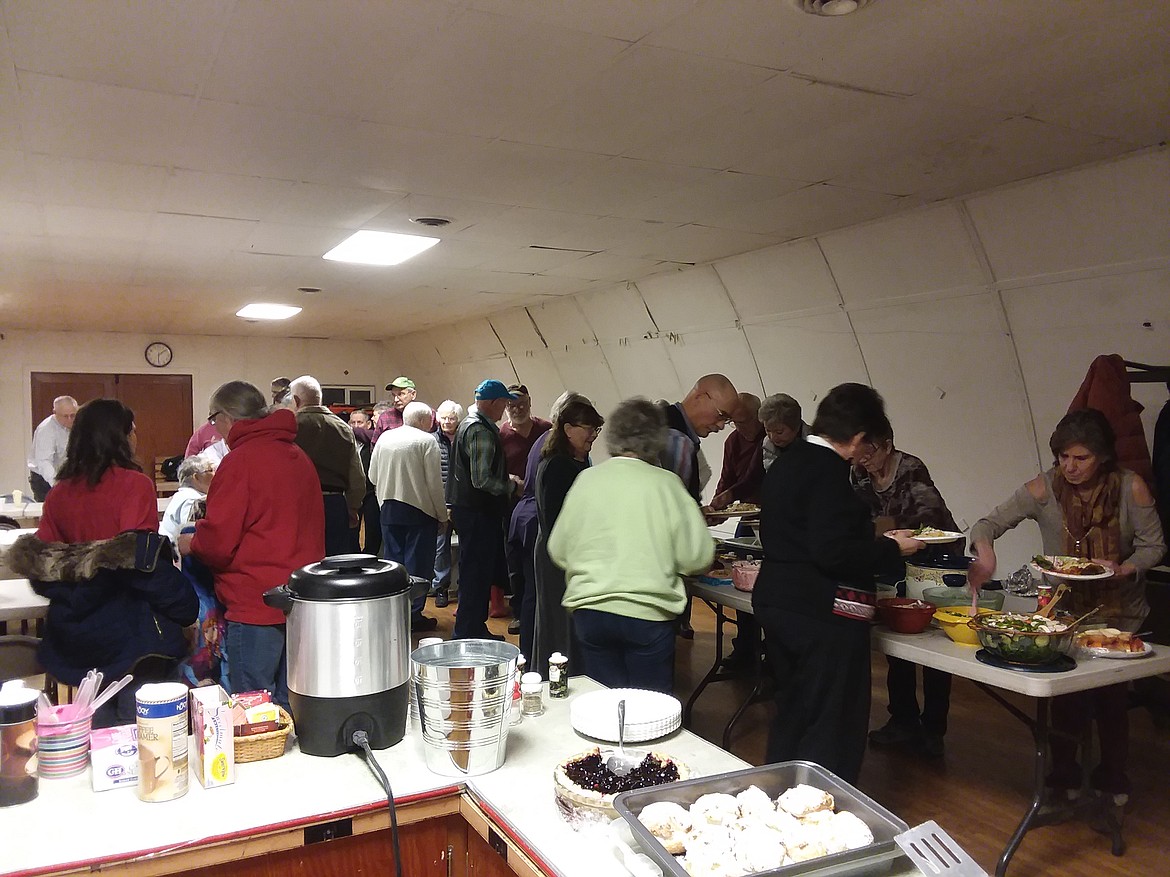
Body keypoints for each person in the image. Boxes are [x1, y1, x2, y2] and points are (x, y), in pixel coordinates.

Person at [968, 408, 1165, 812]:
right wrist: (985, 553)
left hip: (1119, 611)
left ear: (1103, 457)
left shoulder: (1131, 488)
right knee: (1066, 699)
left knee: (1111, 700)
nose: (1069, 467)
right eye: (1063, 457)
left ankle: (1112, 779)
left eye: (1081, 458)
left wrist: (1124, 567)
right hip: (1063, 610)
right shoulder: (1044, 489)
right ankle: (1063, 777)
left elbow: (1155, 546)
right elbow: (987, 523)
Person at [754, 383, 923, 784]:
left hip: (779, 601)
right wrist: (889, 548)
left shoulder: (787, 463)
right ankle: (823, 808)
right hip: (821, 614)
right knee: (833, 720)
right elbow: (833, 552)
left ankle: (779, 795)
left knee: (793, 710)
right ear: (860, 437)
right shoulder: (827, 473)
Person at [12, 398, 196, 727]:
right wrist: (183, 604)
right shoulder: (134, 485)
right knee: (141, 730)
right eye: (133, 430)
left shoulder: (59, 493)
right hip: (129, 632)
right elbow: (137, 562)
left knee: (94, 730)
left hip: (76, 631)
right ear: (120, 437)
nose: (136, 437)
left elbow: (47, 562)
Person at [549, 398, 713, 693]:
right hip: (648, 614)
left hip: (591, 612)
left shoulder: (586, 480)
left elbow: (558, 549)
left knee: (605, 702)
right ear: (656, 440)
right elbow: (697, 556)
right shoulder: (667, 484)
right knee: (650, 708)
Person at [180, 380, 325, 708]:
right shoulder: (298, 455)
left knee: (253, 708)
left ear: (228, 417)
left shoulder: (240, 462)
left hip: (256, 602)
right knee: (294, 704)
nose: (214, 429)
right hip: (303, 599)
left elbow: (218, 543)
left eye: (213, 419)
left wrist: (192, 543)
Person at [850, 424, 960, 757]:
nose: (865, 460)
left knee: (935, 646)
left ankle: (934, 726)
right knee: (896, 635)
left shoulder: (910, 468)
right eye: (861, 453)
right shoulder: (858, 475)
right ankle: (903, 718)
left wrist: (894, 531)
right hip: (894, 556)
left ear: (888, 445)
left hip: (934, 559)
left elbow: (931, 515)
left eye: (871, 452)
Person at [660, 374, 739, 639]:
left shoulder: (663, 424)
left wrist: (699, 513)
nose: (721, 425)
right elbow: (673, 513)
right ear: (699, 396)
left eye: (726, 420)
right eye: (720, 415)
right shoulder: (678, 441)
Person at [531, 398, 604, 673]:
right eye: (589, 429)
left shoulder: (573, 462)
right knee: (558, 621)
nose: (593, 436)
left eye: (596, 430)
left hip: (561, 553)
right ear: (568, 429)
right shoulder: (559, 466)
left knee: (560, 620)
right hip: (557, 556)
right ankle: (561, 677)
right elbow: (558, 521)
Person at [448, 380, 523, 640]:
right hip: (478, 512)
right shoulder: (480, 430)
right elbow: (481, 480)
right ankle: (469, 632)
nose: (506, 407)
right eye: (503, 401)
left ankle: (471, 629)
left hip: (468, 510)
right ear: (491, 403)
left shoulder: (468, 425)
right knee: (476, 575)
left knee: (474, 572)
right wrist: (510, 486)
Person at [369, 401, 447, 632]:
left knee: (393, 563)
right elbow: (434, 483)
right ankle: (413, 615)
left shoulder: (385, 438)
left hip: (388, 508)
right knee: (418, 566)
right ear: (424, 421)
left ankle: (394, 614)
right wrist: (442, 515)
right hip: (419, 511)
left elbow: (373, 475)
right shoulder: (426, 441)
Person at [289, 375, 365, 557]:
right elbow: (356, 474)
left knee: (303, 561)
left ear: (296, 400)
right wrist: (353, 507)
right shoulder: (343, 428)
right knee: (334, 563)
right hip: (335, 503)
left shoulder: (292, 426)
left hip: (299, 502)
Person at [499, 383, 554, 632]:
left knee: (540, 558)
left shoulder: (545, 429)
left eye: (521, 404)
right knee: (516, 563)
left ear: (530, 403)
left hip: (540, 504)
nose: (516, 409)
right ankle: (521, 611)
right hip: (512, 507)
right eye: (511, 405)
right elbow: (495, 470)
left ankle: (543, 610)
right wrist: (510, 480)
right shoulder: (501, 435)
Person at [431, 400, 463, 608]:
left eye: (451, 418)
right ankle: (440, 587)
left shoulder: (465, 438)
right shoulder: (431, 440)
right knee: (440, 547)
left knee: (465, 546)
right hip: (441, 501)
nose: (446, 422)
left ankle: (463, 586)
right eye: (443, 418)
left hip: (463, 502)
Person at [710, 392, 766, 511]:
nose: (740, 428)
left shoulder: (772, 437)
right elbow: (727, 479)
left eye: (744, 422)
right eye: (734, 422)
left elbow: (754, 477)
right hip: (749, 509)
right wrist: (715, 508)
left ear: (759, 416)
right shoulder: (733, 441)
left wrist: (729, 496)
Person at [27, 395, 78, 501]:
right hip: (44, 479)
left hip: (65, 475)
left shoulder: (77, 424)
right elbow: (44, 462)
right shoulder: (46, 429)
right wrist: (57, 485)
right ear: (55, 413)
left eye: (72, 415)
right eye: (65, 416)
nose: (69, 419)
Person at [160, 455, 217, 546]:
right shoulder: (192, 501)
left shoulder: (181, 496)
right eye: (210, 471)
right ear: (196, 477)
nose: (215, 474)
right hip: (174, 555)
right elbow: (190, 536)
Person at [348, 409, 382, 556]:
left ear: (368, 424)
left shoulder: (374, 444)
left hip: (370, 492)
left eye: (359, 422)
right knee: (350, 529)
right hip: (351, 493)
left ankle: (371, 558)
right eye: (353, 422)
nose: (356, 426)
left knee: (373, 529)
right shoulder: (345, 442)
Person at [760, 393, 808, 471]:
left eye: (779, 432)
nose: (772, 437)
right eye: (768, 430)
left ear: (796, 427)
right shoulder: (768, 443)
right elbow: (773, 473)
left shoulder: (814, 440)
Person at [372, 377, 417, 442]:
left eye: (400, 394)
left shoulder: (427, 414)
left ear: (413, 394)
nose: (396, 400)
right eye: (393, 395)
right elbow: (375, 445)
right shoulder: (385, 417)